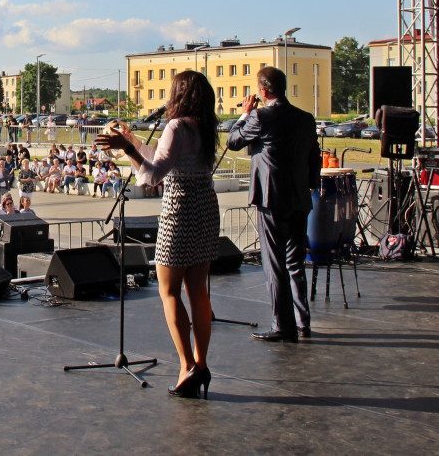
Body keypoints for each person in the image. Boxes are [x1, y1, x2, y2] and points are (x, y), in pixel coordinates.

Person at [95, 70, 219, 400]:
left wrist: (128, 151)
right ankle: (202, 365)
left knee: (169, 291)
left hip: (180, 208)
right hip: (206, 207)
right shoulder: (205, 127)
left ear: (179, 94)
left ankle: (186, 366)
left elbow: (151, 176)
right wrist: (134, 142)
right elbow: (166, 160)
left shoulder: (177, 126)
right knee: (199, 291)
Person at [227, 66, 319, 343]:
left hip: (272, 199)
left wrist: (244, 112)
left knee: (274, 264)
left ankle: (283, 326)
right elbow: (314, 154)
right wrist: (311, 184)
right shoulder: (305, 118)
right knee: (295, 262)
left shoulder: (260, 116)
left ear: (263, 91)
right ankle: (303, 322)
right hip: (300, 198)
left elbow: (233, 140)